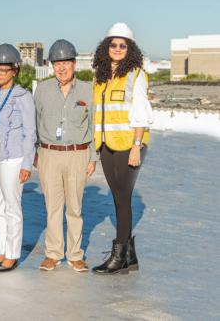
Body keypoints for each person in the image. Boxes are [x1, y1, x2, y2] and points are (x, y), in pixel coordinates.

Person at [91, 23, 152, 274]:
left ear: (130, 49)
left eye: (122, 45)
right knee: (117, 197)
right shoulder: (101, 77)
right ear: (106, 47)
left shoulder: (136, 74)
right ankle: (130, 255)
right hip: (106, 144)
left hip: (129, 144)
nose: (117, 48)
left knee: (123, 197)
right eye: (113, 44)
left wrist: (137, 146)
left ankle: (119, 255)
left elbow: (140, 112)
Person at [34, 39, 97, 273]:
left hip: (77, 154)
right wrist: (35, 152)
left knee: (75, 207)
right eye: (56, 63)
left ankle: (75, 254)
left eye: (66, 63)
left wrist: (93, 157)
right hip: (49, 153)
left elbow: (94, 124)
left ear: (74, 64)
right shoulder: (42, 89)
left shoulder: (87, 90)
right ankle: (52, 254)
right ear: (51, 65)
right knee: (53, 206)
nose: (61, 68)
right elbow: (34, 122)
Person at [0, 44, 36, 272]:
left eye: (4, 69)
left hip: (13, 157)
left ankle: (12, 254)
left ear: (14, 71)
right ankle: (2, 249)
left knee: (12, 205)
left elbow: (30, 132)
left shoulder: (23, 96)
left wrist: (27, 163)